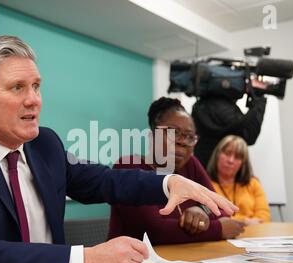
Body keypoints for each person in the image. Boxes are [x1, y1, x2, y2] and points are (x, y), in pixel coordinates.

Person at [0, 35, 237, 263]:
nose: (33, 99)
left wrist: (168, 183)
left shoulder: (44, 144)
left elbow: (105, 181)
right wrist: (89, 259)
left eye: (36, 86)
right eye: (17, 87)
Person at [108, 97, 244, 245]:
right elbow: (154, 231)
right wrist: (218, 229)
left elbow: (219, 208)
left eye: (189, 136)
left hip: (182, 261)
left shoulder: (191, 165)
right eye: (173, 133)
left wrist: (202, 211)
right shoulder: (129, 166)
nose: (182, 141)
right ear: (152, 137)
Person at [191, 87, 267, 168]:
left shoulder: (201, 104)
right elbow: (250, 135)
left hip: (203, 170)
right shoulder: (223, 108)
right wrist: (259, 99)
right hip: (217, 173)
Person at [207, 135, 271, 225]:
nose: (231, 160)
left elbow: (264, 217)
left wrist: (233, 221)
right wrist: (245, 221)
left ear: (243, 163)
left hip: (253, 235)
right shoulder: (205, 183)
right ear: (217, 155)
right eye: (227, 153)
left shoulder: (253, 183)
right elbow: (210, 217)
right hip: (219, 235)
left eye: (237, 157)